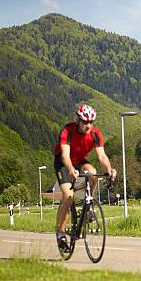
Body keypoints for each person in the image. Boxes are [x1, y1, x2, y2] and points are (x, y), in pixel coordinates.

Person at [53, 104, 117, 252]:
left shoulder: (95, 134)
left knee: (93, 173)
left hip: (80, 160)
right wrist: (70, 170)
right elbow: (64, 155)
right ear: (78, 120)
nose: (88, 125)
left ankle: (88, 206)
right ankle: (61, 234)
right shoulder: (67, 131)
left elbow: (101, 156)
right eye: (85, 122)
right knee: (68, 196)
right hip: (63, 162)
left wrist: (109, 170)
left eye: (91, 122)